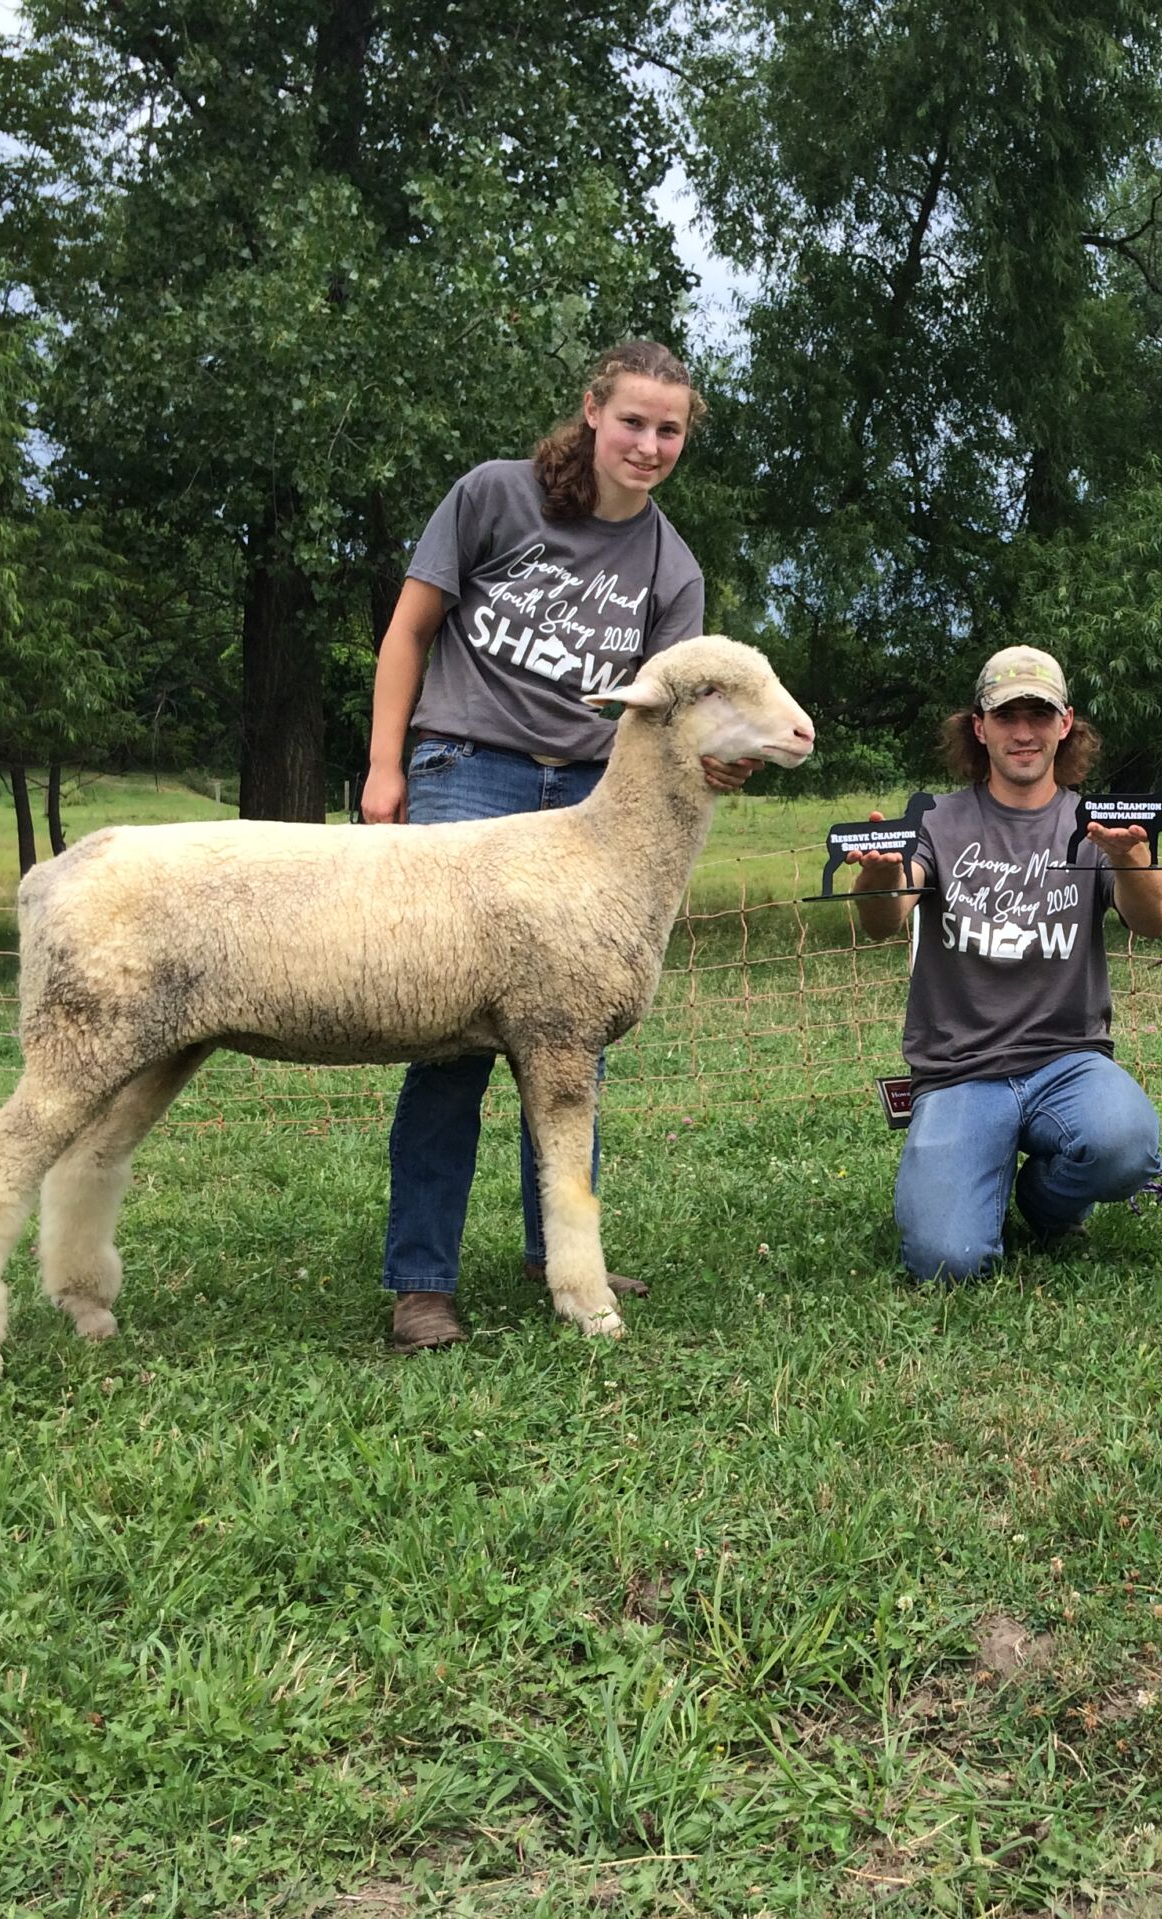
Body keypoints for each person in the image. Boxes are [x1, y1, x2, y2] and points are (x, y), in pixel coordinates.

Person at [360, 340, 757, 1353]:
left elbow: (677, 716)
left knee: (572, 1047)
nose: (649, 444)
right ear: (591, 410)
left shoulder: (672, 567)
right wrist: (385, 766)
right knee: (446, 1037)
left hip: (588, 797)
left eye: (669, 429)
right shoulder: (495, 498)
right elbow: (409, 632)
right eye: (633, 420)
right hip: (470, 771)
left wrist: (721, 762)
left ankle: (557, 1256)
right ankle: (422, 1283)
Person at [844, 646, 1162, 1281]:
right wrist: (881, 878)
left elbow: (1152, 919)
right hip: (960, 1071)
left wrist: (1129, 858)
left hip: (1067, 1060)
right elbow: (887, 916)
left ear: (1065, 723)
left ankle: (1044, 1202)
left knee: (1126, 1145)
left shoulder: (1097, 823)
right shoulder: (936, 821)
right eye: (1006, 716)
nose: (1024, 732)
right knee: (947, 1263)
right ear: (979, 727)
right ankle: (967, 1184)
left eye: (1039, 715)